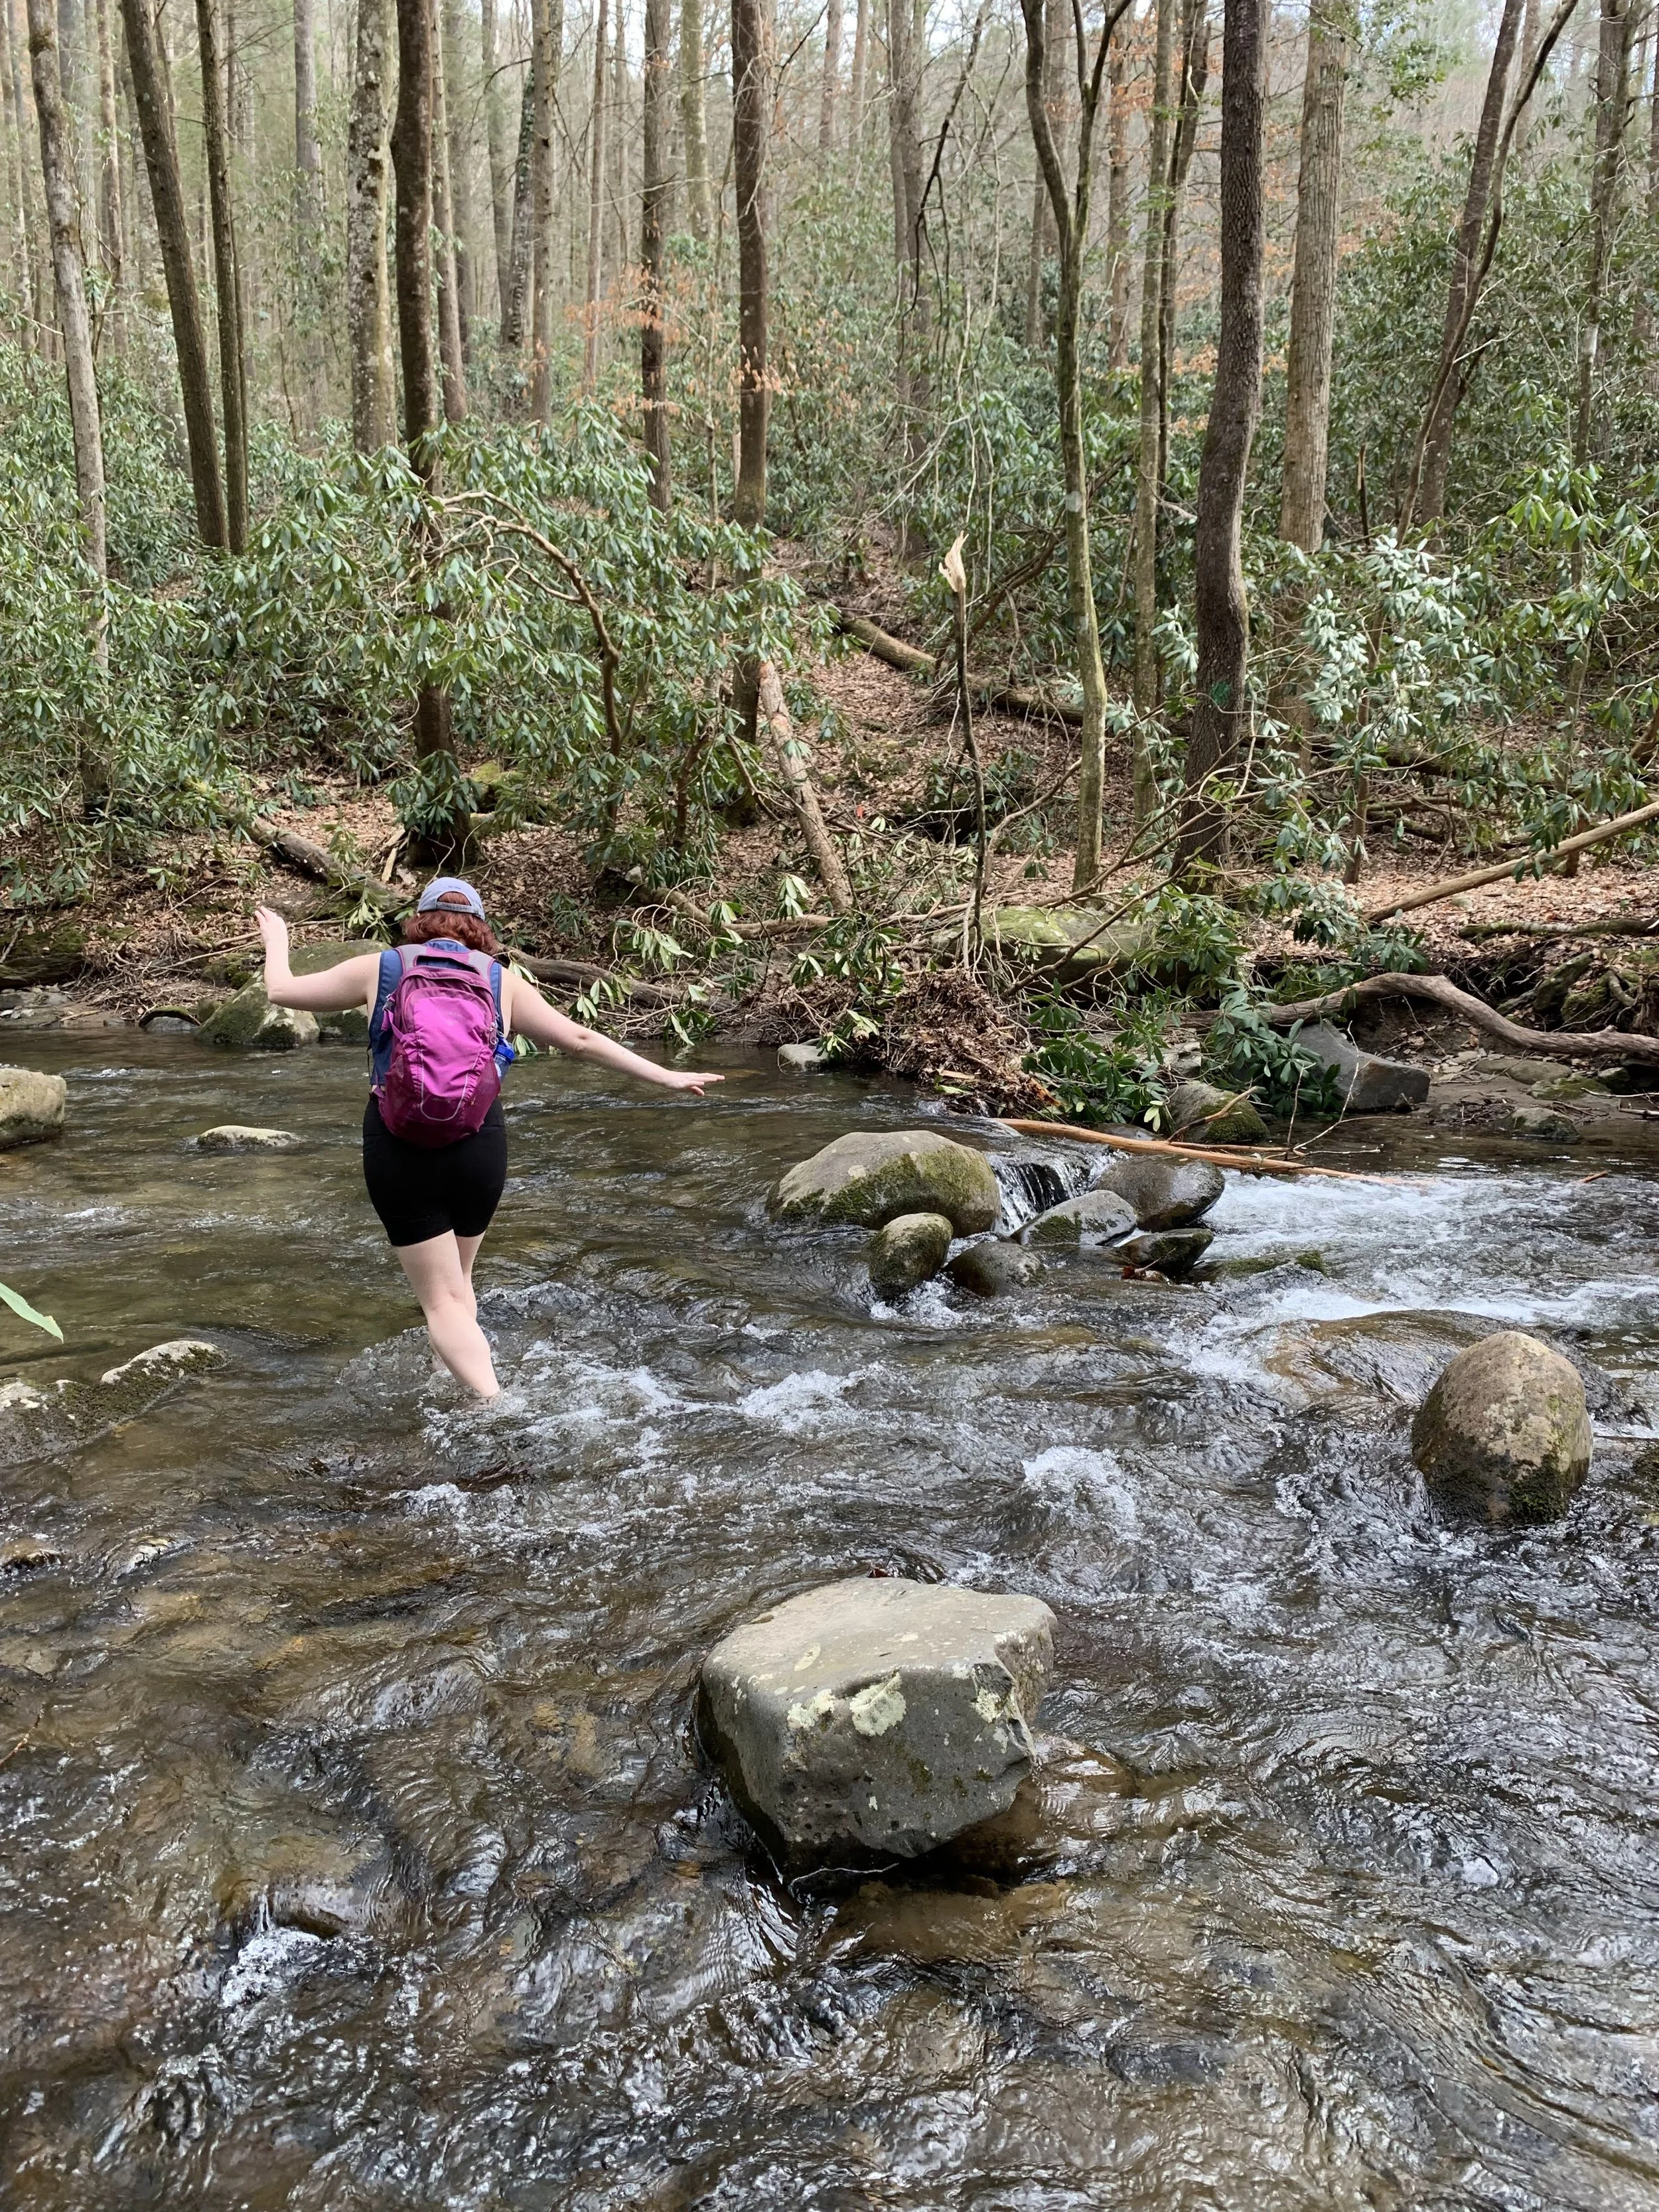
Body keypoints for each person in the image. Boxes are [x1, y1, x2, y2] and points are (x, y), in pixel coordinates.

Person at [253, 879, 722, 1400]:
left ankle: (494, 1405)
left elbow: (281, 991)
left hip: (399, 1141)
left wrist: (278, 939)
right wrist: (666, 1075)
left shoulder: (381, 967)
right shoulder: (502, 981)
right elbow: (582, 1040)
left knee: (442, 1301)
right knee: (460, 1283)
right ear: (479, 929)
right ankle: (446, 1386)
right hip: (479, 1143)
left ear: (420, 921)